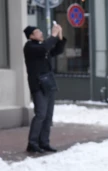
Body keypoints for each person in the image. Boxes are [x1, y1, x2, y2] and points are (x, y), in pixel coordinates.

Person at [23, 24, 66, 153]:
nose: (41, 33)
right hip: (38, 85)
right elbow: (44, 48)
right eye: (37, 31)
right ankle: (32, 143)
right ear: (31, 36)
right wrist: (52, 35)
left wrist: (59, 36)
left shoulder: (42, 47)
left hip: (49, 84)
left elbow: (57, 50)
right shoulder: (30, 47)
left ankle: (44, 142)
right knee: (41, 114)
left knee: (48, 115)